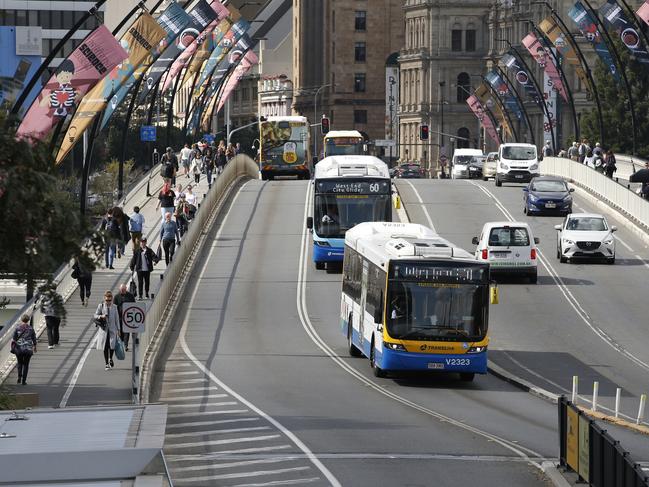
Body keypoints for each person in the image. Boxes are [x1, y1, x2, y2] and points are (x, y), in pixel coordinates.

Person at [94, 291, 120, 370]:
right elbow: (95, 315)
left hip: (112, 329)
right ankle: (106, 364)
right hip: (104, 330)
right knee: (105, 347)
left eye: (109, 300)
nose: (108, 302)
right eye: (107, 300)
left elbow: (117, 319)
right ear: (104, 299)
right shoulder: (101, 306)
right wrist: (101, 316)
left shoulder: (115, 307)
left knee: (112, 345)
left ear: (112, 299)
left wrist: (118, 330)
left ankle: (110, 358)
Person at [13, 314, 37, 385]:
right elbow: (34, 338)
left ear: (21, 320)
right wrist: (35, 346)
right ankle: (24, 381)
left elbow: (14, 338)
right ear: (28, 320)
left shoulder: (17, 328)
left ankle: (19, 378)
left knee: (19, 363)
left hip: (19, 348)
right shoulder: (31, 328)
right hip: (28, 349)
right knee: (26, 364)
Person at [113, 283, 135, 351]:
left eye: (124, 289)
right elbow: (114, 306)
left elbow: (134, 305)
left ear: (126, 289)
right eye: (121, 290)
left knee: (126, 331)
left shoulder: (130, 296)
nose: (122, 291)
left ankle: (125, 345)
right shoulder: (116, 296)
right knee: (120, 331)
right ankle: (122, 343)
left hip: (128, 317)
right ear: (119, 289)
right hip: (119, 317)